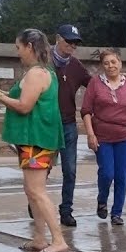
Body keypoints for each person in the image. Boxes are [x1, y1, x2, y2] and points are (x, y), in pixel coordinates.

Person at [0, 28, 69, 252]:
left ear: (29, 47)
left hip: (36, 139)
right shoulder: (41, 72)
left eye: (19, 47)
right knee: (31, 190)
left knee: (36, 190)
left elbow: (24, 106)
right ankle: (40, 238)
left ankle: (58, 240)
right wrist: (0, 93)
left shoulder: (37, 74)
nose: (18, 52)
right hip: (36, 138)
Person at [81, 49, 126, 227]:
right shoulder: (95, 83)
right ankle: (102, 199)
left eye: (114, 62)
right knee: (107, 173)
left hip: (124, 137)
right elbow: (86, 111)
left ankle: (117, 212)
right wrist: (90, 134)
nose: (111, 66)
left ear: (120, 63)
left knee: (121, 176)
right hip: (102, 136)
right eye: (106, 63)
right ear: (102, 66)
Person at [50, 24, 90, 227]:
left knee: (70, 170)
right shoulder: (43, 62)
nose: (72, 46)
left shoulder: (75, 65)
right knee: (42, 168)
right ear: (58, 38)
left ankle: (66, 210)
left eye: (75, 43)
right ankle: (36, 201)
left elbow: (93, 86)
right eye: (68, 41)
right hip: (46, 125)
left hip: (67, 124)